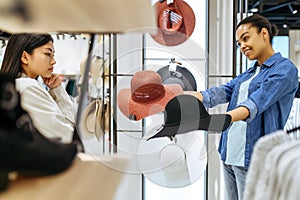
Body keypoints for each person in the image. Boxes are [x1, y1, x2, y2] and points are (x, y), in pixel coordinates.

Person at [186, 14, 298, 200]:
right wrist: (195, 96)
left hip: (253, 158)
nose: (242, 46)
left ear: (264, 34)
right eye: (239, 44)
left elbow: (256, 102)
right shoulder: (250, 73)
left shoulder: (285, 70)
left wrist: (223, 119)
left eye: (245, 39)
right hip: (229, 153)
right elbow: (225, 90)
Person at [0, 33, 78, 143]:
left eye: (53, 55)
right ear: (25, 57)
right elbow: (69, 136)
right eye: (47, 54)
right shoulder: (27, 88)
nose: (53, 61)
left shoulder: (15, 87)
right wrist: (58, 92)